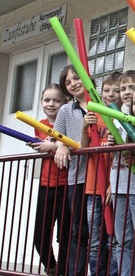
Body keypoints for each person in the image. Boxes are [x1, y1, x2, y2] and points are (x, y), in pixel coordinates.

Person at [108, 70, 135, 276]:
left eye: (132, 88)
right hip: (119, 184)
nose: (126, 92)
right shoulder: (117, 116)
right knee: (121, 240)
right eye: (123, 88)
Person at [29, 84, 71, 276]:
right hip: (46, 185)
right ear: (41, 103)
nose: (51, 104)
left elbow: (66, 146)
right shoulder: (39, 124)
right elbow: (43, 146)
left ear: (65, 102)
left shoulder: (69, 123)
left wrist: (52, 145)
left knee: (65, 235)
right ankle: (52, 267)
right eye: (47, 100)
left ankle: (63, 271)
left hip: (66, 184)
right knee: (40, 235)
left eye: (56, 100)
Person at [53, 65, 90, 276]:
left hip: (102, 176)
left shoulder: (100, 103)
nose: (74, 83)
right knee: (78, 230)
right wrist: (62, 144)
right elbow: (56, 137)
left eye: (77, 78)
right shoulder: (66, 110)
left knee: (100, 231)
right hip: (78, 176)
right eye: (68, 82)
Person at [84, 72, 119, 276]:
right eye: (107, 90)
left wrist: (113, 184)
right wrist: (83, 127)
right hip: (93, 186)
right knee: (95, 239)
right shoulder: (93, 117)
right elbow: (82, 148)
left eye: (116, 91)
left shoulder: (122, 118)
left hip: (114, 186)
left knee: (114, 238)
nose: (111, 94)